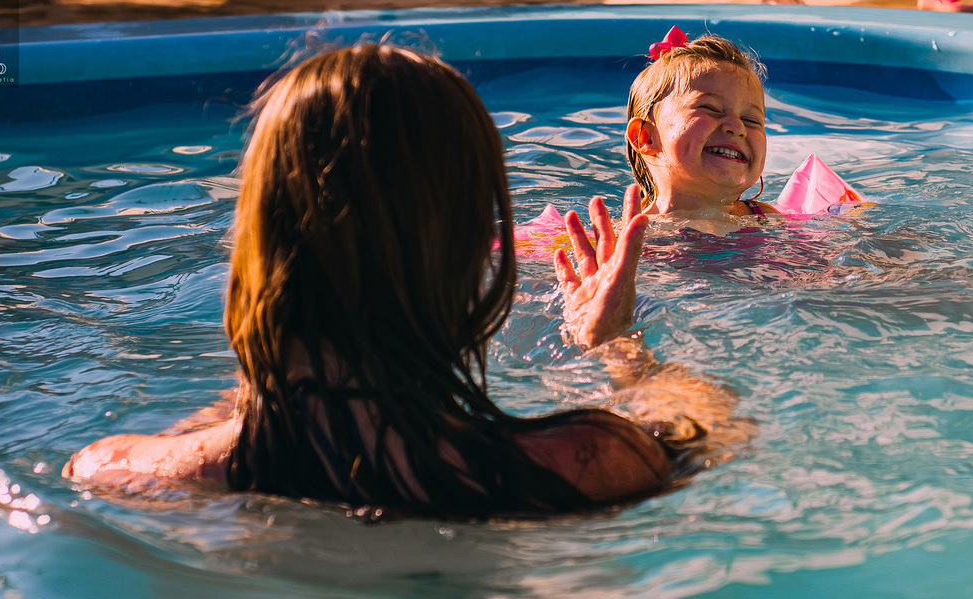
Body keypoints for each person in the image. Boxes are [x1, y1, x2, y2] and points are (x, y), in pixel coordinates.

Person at [64, 45, 752, 516]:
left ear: (260, 242)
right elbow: (720, 434)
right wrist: (616, 348)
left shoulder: (120, 471)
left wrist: (267, 386)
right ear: (459, 248)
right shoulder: (584, 460)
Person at [625, 27, 780, 225]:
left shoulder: (765, 219)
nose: (737, 127)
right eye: (711, 108)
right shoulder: (626, 239)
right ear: (645, 137)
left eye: (751, 120)